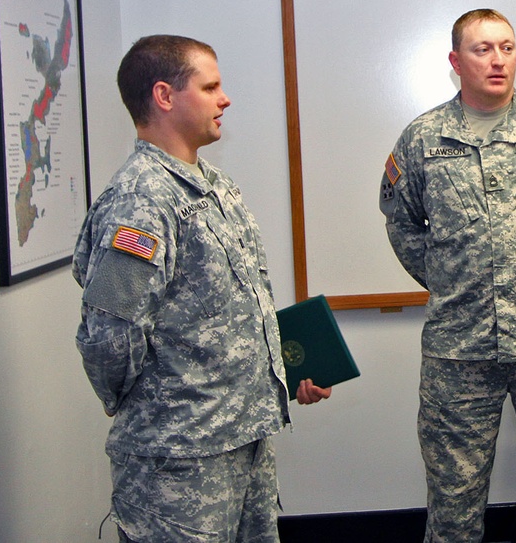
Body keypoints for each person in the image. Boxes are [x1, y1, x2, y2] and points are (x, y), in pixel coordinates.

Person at [73, 35, 331, 543]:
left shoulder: (212, 183)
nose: (225, 98)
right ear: (165, 96)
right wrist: (159, 405)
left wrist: (284, 370)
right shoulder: (141, 202)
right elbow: (107, 337)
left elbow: (229, 308)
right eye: (210, 86)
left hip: (244, 439)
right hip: (180, 460)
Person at [379, 9, 516, 542]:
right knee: (453, 503)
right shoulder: (423, 138)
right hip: (460, 347)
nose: (497, 60)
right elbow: (401, 222)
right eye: (482, 49)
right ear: (456, 62)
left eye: (507, 47)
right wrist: (453, 281)